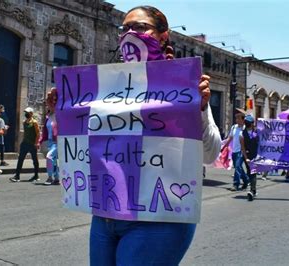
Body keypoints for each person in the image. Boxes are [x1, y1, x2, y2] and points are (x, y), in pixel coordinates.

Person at [89, 6, 221, 265]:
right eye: (124, 28)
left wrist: (201, 108)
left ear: (163, 36)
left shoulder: (182, 85)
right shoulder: (110, 86)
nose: (130, 34)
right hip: (106, 216)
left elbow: (209, 153)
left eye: (139, 27)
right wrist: (63, 112)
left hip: (159, 218)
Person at [9, 107, 40, 182]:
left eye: (28, 113)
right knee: (20, 159)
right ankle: (17, 175)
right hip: (25, 143)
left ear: (31, 113)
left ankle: (36, 175)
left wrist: (36, 143)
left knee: (35, 160)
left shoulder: (34, 122)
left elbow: (38, 133)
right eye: (25, 112)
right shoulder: (24, 122)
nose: (26, 114)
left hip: (32, 144)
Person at [222, 112, 249, 191]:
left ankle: (236, 184)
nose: (237, 120)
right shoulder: (234, 127)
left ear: (243, 120)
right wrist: (224, 147)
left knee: (237, 166)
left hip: (241, 151)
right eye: (236, 118)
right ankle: (246, 180)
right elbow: (230, 138)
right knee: (239, 167)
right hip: (234, 151)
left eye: (238, 118)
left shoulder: (245, 128)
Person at [39, 88, 60, 186]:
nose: (50, 104)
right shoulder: (48, 117)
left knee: (49, 157)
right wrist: (41, 140)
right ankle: (57, 178)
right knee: (54, 160)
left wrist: (53, 92)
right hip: (49, 142)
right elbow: (45, 131)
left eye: (53, 102)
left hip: (58, 142)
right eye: (49, 103)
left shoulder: (60, 114)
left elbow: (53, 96)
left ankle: (50, 177)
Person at [240, 115, 259, 201]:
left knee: (252, 172)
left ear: (252, 123)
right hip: (247, 156)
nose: (247, 123)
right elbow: (243, 147)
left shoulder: (256, 132)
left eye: (249, 122)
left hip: (255, 156)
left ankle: (252, 190)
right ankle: (253, 190)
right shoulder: (242, 134)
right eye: (246, 122)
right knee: (250, 172)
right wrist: (246, 158)